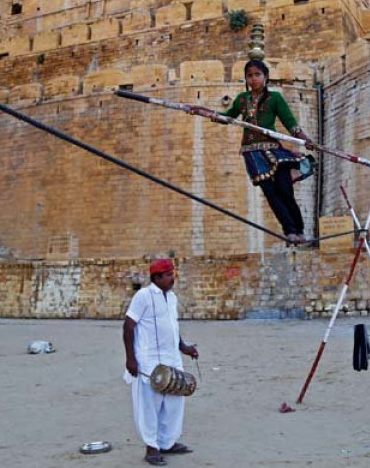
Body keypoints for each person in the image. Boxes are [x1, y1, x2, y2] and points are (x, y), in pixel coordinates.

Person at [190, 59, 316, 244]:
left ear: (265, 76)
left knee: (285, 190)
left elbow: (290, 124)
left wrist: (305, 139)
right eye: (250, 75)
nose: (254, 79)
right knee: (270, 193)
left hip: (273, 150)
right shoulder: (242, 99)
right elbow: (228, 117)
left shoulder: (275, 98)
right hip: (252, 153)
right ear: (246, 79)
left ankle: (299, 229)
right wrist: (206, 112)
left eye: (258, 74)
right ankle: (289, 231)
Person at [123, 258, 199, 466]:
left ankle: (168, 442)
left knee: (174, 402)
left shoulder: (171, 297)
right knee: (150, 405)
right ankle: (152, 448)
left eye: (172, 274)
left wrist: (184, 348)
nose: (171, 279)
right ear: (156, 278)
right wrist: (131, 359)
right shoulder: (143, 296)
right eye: (167, 275)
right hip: (148, 361)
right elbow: (128, 327)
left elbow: (172, 327)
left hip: (171, 359)